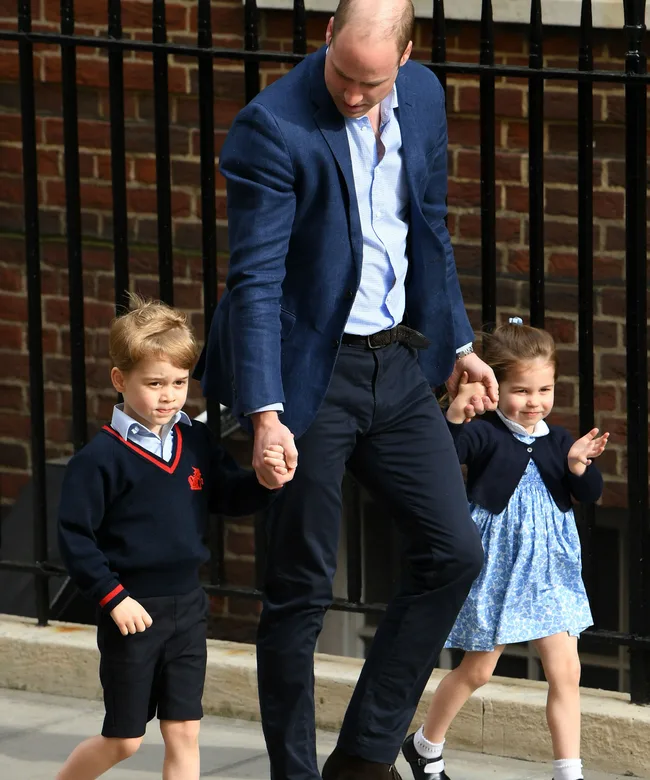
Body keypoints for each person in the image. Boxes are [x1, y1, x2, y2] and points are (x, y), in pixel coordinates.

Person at [197, 1, 498, 777]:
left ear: (405, 56)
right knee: (298, 591)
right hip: (307, 381)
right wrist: (265, 415)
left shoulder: (424, 96)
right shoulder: (273, 126)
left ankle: (363, 759)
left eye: (371, 83)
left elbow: (428, 223)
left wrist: (461, 343)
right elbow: (257, 281)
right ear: (325, 38)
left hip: (396, 367)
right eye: (342, 76)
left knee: (454, 550)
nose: (354, 96)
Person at [55, 295, 285, 780]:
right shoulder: (98, 460)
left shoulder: (196, 442)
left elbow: (227, 495)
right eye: (154, 383)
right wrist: (113, 598)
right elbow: (75, 538)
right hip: (130, 613)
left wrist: (264, 482)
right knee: (124, 739)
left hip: (188, 608)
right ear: (120, 381)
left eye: (179, 383)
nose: (169, 395)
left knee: (184, 730)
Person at [402, 320, 609, 780]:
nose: (534, 402)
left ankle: (568, 772)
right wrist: (455, 413)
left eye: (545, 389)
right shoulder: (485, 432)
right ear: (495, 386)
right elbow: (441, 453)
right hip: (498, 564)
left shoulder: (558, 440)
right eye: (521, 390)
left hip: (551, 569)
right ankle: (424, 746)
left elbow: (589, 493)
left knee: (566, 672)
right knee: (477, 671)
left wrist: (578, 465)